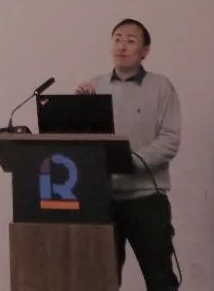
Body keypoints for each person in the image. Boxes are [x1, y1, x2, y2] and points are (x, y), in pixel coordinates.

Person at [77, 18, 180, 291]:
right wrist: (80, 107)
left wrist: (128, 162)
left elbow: (170, 140)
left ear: (145, 51)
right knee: (102, 280)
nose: (122, 46)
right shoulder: (94, 87)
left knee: (160, 279)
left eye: (131, 41)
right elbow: (83, 143)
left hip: (146, 198)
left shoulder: (161, 86)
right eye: (117, 39)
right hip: (102, 200)